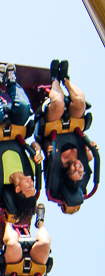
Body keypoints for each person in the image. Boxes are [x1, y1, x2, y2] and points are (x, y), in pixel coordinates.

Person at [0, 64, 43, 225]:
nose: (31, 183)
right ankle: (12, 82)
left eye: (29, 187)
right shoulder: (31, 170)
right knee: (25, 108)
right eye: (33, 186)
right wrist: (37, 151)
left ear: (18, 189)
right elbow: (34, 143)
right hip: (15, 131)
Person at [38, 59, 97, 208]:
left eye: (74, 171)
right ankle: (65, 79)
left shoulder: (57, 163)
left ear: (67, 173)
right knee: (80, 102)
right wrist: (91, 146)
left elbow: (44, 145)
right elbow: (90, 151)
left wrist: (46, 147)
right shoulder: (86, 158)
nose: (78, 167)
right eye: (80, 171)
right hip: (73, 125)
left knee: (58, 103)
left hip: (53, 127)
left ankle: (55, 79)